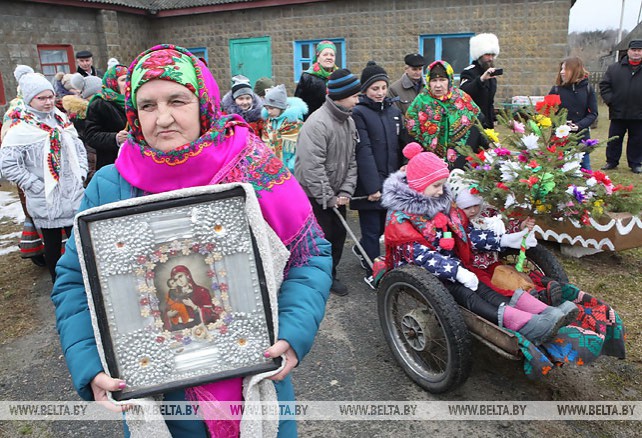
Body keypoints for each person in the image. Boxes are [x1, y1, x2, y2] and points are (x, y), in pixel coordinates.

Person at [51, 44, 331, 438]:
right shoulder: (111, 185)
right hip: (161, 400)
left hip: (254, 383)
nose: (162, 118)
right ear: (133, 113)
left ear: (204, 102)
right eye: (147, 105)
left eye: (177, 100)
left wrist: (291, 331)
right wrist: (89, 363)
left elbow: (309, 253)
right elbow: (75, 282)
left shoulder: (253, 168)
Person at [381, 144, 578, 345]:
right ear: (417, 184)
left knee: (484, 287)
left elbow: (466, 235)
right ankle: (524, 323)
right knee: (467, 295)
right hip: (425, 273)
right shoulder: (401, 217)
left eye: (443, 185)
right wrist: (456, 272)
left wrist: (502, 240)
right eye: (436, 186)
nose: (441, 191)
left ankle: (542, 314)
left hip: (451, 265)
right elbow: (419, 255)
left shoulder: (441, 204)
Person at [0, 65, 87, 281]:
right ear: (30, 99)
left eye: (50, 96)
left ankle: (83, 278)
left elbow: (78, 148)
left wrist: (81, 173)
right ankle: (59, 282)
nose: (48, 102)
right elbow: (9, 165)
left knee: (78, 240)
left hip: (72, 191)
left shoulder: (61, 121)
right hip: (46, 198)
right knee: (52, 243)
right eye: (41, 98)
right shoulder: (21, 129)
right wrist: (34, 184)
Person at [295, 69, 360, 296]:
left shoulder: (349, 122)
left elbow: (352, 160)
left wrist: (345, 191)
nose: (358, 99)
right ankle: (316, 279)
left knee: (337, 238)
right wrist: (327, 196)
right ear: (341, 96)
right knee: (319, 241)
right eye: (355, 95)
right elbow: (312, 166)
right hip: (316, 195)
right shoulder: (317, 123)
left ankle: (330, 275)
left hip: (337, 194)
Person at [350, 61, 405, 285]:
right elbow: (364, 151)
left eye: (383, 87)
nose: (380, 92)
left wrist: (404, 165)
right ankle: (374, 272)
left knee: (386, 226)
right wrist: (373, 187)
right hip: (370, 184)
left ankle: (364, 251)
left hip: (391, 181)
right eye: (375, 88)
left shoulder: (393, 111)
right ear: (365, 90)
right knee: (372, 229)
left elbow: (401, 144)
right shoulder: (359, 113)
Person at [406, 60, 487, 169]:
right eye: (434, 80)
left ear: (449, 80)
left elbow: (478, 124)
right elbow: (411, 133)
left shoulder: (462, 99)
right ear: (428, 82)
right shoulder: (420, 103)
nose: (438, 85)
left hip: (461, 166)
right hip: (430, 166)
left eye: (442, 80)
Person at [599, 39, 642, 174]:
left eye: (639, 50)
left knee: (637, 140)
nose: (636, 53)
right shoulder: (614, 68)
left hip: (639, 113)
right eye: (634, 50)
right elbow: (604, 86)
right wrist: (611, 101)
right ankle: (611, 161)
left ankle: (635, 163)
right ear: (628, 51)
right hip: (618, 111)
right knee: (615, 138)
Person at [549, 56, 598, 171]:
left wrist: (579, 125)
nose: (561, 72)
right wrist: (560, 123)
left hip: (581, 138)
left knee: (584, 168)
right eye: (561, 69)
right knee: (557, 169)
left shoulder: (587, 89)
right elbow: (547, 113)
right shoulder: (556, 90)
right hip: (559, 138)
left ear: (575, 71)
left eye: (565, 69)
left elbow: (593, 113)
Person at [83, 64, 128, 171]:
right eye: (123, 80)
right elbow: (91, 136)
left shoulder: (135, 101)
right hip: (111, 163)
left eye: (129, 79)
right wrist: (115, 138)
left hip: (135, 159)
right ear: (112, 82)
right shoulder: (100, 103)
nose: (127, 84)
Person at [261, 84, 308, 172]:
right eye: (267, 108)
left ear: (280, 107)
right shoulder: (268, 122)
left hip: (290, 170)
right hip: (272, 168)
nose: (269, 112)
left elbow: (302, 148)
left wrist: (291, 166)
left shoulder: (295, 124)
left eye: (271, 108)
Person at [459, 33, 501, 129]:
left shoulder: (491, 74)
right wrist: (481, 79)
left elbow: (489, 102)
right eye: (487, 55)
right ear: (479, 55)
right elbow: (463, 92)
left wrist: (494, 119)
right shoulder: (468, 72)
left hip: (487, 125)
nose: (490, 58)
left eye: (492, 55)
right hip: (472, 123)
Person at [294, 40, 338, 119]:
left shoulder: (339, 76)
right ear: (318, 58)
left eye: (332, 55)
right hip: (313, 122)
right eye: (325, 55)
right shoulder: (307, 77)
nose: (329, 57)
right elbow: (299, 104)